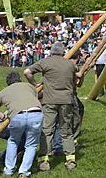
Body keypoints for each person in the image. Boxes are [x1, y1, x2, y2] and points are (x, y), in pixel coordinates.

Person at [24, 41, 81, 172]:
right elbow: (76, 78)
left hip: (49, 101)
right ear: (63, 52)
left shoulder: (45, 62)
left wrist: (35, 85)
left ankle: (44, 160)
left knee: (47, 130)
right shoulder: (70, 64)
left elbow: (27, 72)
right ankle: (70, 159)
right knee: (66, 130)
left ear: (52, 51)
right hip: (67, 100)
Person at [0, 71, 43, 177]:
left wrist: (2, 116)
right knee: (31, 145)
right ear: (19, 79)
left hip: (17, 115)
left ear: (8, 83)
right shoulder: (29, 86)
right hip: (36, 114)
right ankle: (24, 171)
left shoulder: (5, 91)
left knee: (13, 141)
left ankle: (9, 170)